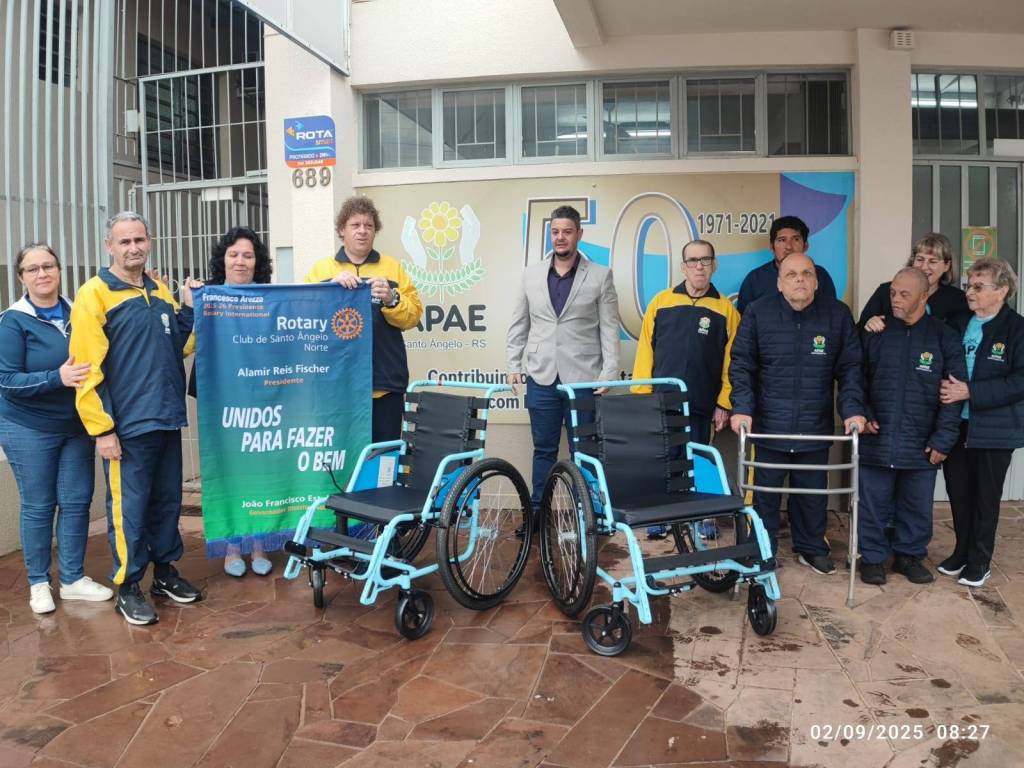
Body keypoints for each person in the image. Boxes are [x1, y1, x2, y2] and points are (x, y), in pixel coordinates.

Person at [70, 212, 203, 626]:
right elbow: (87, 369)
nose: (133, 248)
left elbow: (179, 345)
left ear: (150, 241)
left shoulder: (158, 289)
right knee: (129, 509)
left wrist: (189, 307)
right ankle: (128, 586)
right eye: (124, 241)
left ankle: (164, 573)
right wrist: (103, 429)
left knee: (166, 501)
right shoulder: (94, 295)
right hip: (125, 427)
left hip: (165, 417)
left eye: (139, 240)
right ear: (109, 246)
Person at [729, 253, 866, 574]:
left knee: (812, 495)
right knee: (764, 496)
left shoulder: (836, 315)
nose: (800, 279)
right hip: (769, 427)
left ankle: (811, 548)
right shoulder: (758, 312)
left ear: (816, 281)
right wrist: (743, 408)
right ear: (780, 283)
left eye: (806, 273)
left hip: (814, 426)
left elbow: (851, 368)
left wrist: (852, 410)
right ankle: (761, 550)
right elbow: (742, 365)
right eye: (791, 274)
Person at [0, 244, 114, 614]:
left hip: (75, 424)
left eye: (48, 266)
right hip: (28, 426)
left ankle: (72, 579)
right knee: (39, 504)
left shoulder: (78, 312)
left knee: (77, 501)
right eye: (32, 269)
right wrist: (57, 377)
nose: (42, 274)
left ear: (59, 270)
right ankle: (38, 583)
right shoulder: (13, 321)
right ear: (21, 277)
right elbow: (6, 380)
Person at [506, 205, 621, 517]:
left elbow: (610, 329)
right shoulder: (531, 275)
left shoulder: (600, 276)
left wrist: (608, 373)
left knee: (585, 451)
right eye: (555, 232)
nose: (560, 237)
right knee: (543, 450)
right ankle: (538, 514)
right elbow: (519, 323)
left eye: (567, 231)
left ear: (579, 234)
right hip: (541, 377)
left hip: (584, 379)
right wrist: (513, 365)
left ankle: (591, 516)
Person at [857, 267, 966, 585]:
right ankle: (872, 558)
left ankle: (909, 556)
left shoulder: (944, 337)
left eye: (904, 294)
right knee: (872, 504)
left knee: (916, 505)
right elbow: (854, 380)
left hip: (921, 441)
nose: (895, 299)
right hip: (877, 437)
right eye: (893, 292)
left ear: (924, 296)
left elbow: (953, 393)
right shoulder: (875, 333)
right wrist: (861, 413)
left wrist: (944, 438)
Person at [631, 239, 739, 539]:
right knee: (663, 458)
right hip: (661, 401)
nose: (699, 266)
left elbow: (733, 362)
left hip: (702, 402)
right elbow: (645, 352)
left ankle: (702, 516)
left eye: (705, 260)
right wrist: (642, 396)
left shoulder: (726, 310)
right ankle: (661, 515)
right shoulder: (661, 302)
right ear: (683, 267)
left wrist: (724, 401)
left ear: (714, 265)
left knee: (698, 458)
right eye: (693, 260)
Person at [187, 227, 275, 578]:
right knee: (227, 472)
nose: (240, 261)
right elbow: (185, 345)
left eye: (248, 255)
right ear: (222, 259)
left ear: (258, 262)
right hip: (220, 400)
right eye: (234, 254)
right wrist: (190, 304)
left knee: (260, 470)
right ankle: (232, 546)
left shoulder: (271, 298)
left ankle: (259, 543)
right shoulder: (206, 296)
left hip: (261, 397)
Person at [305, 196, 423, 442]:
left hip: (385, 385)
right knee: (340, 455)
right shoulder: (321, 270)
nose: (362, 231)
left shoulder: (392, 268)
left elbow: (413, 317)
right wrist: (329, 289)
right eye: (355, 225)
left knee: (384, 455)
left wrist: (392, 299)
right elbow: (304, 317)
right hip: (336, 384)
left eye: (368, 226)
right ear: (342, 230)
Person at [938, 257, 1024, 588]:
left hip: (994, 429)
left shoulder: (1017, 329)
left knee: (985, 498)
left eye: (978, 286)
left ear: (1002, 290)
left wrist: (970, 391)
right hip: (956, 425)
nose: (970, 292)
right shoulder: (959, 322)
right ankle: (961, 551)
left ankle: (979, 560)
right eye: (968, 285)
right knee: (959, 493)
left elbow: (1019, 381)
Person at [859, 233, 968, 331]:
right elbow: (860, 329)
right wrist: (869, 323)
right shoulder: (885, 291)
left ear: (947, 266)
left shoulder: (957, 300)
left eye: (932, 261)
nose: (924, 267)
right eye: (920, 259)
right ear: (912, 261)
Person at [736, 215, 837, 313]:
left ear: (805, 245)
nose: (789, 246)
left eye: (796, 239)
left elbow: (832, 313)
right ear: (771, 246)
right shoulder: (755, 279)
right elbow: (746, 319)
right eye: (782, 240)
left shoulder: (820, 275)